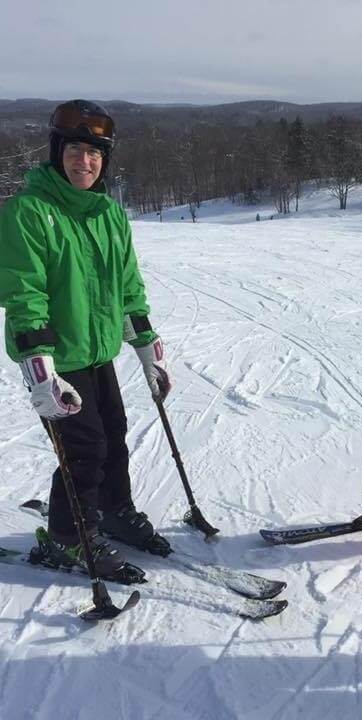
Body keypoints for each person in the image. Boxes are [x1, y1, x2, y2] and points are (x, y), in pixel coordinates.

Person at [0, 100, 173, 580]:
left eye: (95, 153)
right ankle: (67, 539)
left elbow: (128, 285)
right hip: (59, 357)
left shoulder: (108, 215)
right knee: (83, 449)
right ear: (58, 152)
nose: (85, 162)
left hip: (98, 353)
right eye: (75, 150)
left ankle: (115, 511)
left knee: (113, 436)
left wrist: (147, 350)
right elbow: (22, 293)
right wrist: (40, 369)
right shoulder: (29, 212)